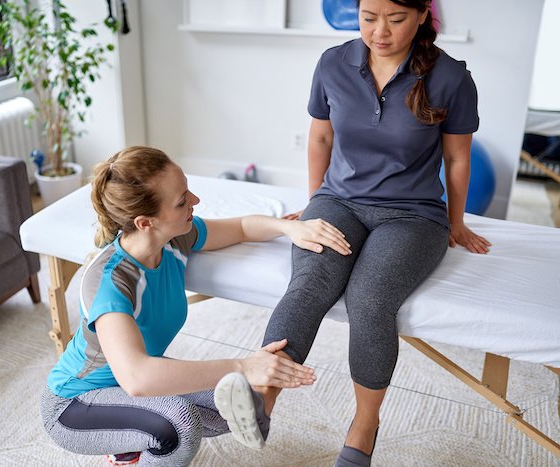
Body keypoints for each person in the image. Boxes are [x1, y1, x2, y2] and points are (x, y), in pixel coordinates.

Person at [214, 1, 491, 466]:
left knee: (369, 299)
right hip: (338, 201)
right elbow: (320, 137)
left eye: (396, 19)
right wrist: (314, 202)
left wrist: (457, 221)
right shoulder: (333, 63)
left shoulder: (450, 77)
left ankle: (365, 424)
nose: (379, 32)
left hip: (412, 214)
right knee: (309, 285)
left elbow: (458, 159)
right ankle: (262, 403)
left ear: (423, 14)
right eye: (368, 17)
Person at [40, 146, 351, 466]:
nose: (195, 201)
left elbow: (241, 227)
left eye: (187, 189)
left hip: (127, 388)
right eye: (181, 200)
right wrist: (244, 364)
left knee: (239, 400)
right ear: (145, 222)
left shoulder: (174, 239)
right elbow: (138, 378)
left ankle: (131, 442)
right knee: (178, 424)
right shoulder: (111, 283)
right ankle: (135, 443)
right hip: (74, 405)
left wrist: (289, 228)